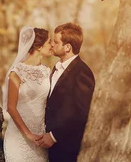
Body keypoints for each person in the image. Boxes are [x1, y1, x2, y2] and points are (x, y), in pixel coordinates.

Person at [36, 22, 95, 162]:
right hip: (47, 147)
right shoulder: (55, 68)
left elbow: (82, 114)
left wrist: (54, 136)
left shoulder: (82, 73)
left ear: (67, 47)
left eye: (56, 42)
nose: (52, 45)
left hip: (67, 147)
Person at [3, 26, 53, 162]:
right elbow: (11, 108)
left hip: (41, 135)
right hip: (19, 136)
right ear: (38, 46)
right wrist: (28, 134)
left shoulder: (47, 72)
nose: (52, 45)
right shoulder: (17, 72)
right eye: (49, 41)